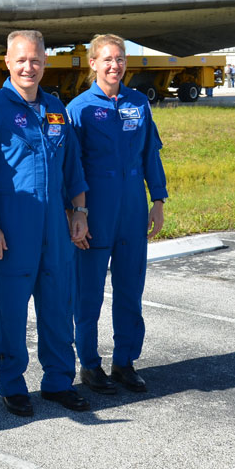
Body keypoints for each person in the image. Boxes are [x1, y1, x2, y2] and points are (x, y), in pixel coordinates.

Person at [0, 29, 89, 417]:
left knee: (57, 306)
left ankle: (58, 382)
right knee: (12, 311)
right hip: (11, 229)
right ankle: (12, 385)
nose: (28, 67)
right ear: (7, 62)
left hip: (55, 227)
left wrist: (80, 212)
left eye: (35, 60)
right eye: (20, 60)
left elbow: (72, 168)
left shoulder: (56, 108)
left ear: (45, 62)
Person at [67, 34, 168, 396]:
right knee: (89, 293)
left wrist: (157, 199)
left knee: (130, 288)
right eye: (107, 59)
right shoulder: (78, 109)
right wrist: (75, 213)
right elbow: (71, 166)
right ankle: (89, 364)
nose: (115, 65)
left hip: (132, 210)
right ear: (93, 63)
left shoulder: (139, 103)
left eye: (120, 58)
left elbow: (149, 154)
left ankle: (125, 361)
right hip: (95, 212)